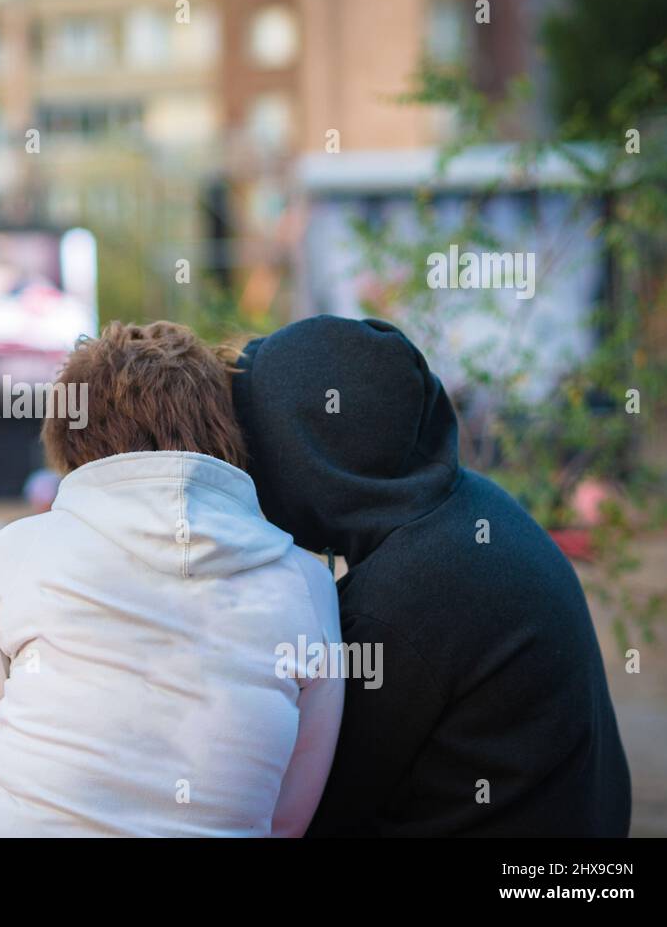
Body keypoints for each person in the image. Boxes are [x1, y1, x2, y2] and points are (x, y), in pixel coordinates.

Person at [229, 315, 631, 836]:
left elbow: (306, 814)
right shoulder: (475, 508)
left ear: (305, 457)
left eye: (255, 441)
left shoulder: (403, 601)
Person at [0, 321, 342, 836]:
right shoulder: (307, 582)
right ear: (227, 428)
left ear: (70, 433)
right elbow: (288, 814)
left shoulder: (17, 551)